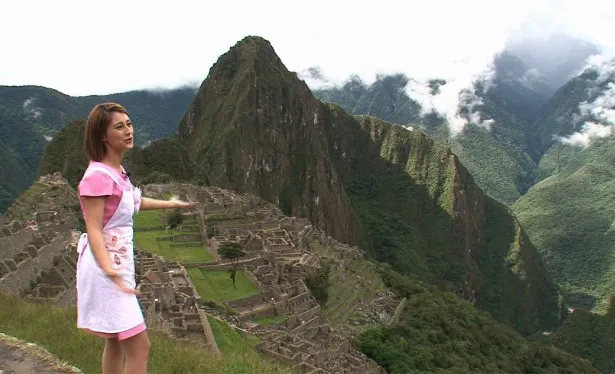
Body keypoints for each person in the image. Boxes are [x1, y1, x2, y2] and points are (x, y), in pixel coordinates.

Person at [76, 103, 194, 374]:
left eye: (129, 124)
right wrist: (109, 269)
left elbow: (134, 202)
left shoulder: (117, 174)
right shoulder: (97, 176)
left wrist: (171, 204)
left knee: (115, 341)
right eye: (119, 126)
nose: (128, 130)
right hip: (105, 267)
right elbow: (93, 227)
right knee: (140, 346)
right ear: (102, 136)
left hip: (118, 264)